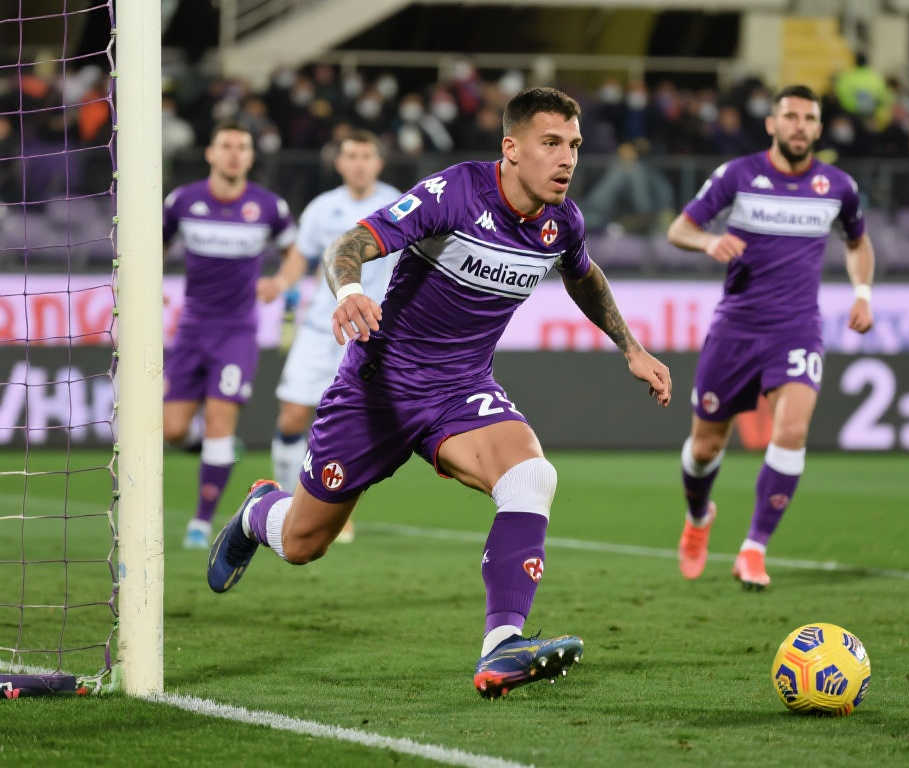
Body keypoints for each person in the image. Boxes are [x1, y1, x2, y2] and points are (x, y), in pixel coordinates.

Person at [206, 87, 672, 698]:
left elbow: (582, 274)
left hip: (459, 390)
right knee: (302, 543)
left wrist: (631, 347)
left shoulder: (562, 223)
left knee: (531, 475)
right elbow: (350, 245)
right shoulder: (455, 193)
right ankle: (256, 512)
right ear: (511, 148)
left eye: (575, 145)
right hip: (379, 389)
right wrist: (351, 291)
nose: (567, 159)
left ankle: (502, 645)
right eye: (551, 143)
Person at [666, 85, 875, 590]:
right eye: (791, 116)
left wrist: (863, 292)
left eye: (809, 118)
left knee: (792, 432)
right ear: (772, 124)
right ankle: (698, 517)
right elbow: (679, 229)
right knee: (704, 447)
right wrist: (709, 241)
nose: (800, 126)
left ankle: (754, 549)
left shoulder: (838, 186)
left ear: (819, 128)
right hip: (735, 330)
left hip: (797, 329)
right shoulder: (738, 175)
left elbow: (858, 242)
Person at [163, 121, 302, 549]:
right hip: (191, 329)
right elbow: (151, 247)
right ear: (210, 153)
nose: (234, 153)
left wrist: (281, 282)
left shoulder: (267, 206)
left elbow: (294, 251)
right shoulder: (183, 202)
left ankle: (201, 523)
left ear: (250, 157)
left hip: (237, 332)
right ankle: (218, 449)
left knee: (220, 422)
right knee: (171, 429)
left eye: (242, 147)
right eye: (226, 145)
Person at [271, 130, 401, 543]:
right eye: (351, 156)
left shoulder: (398, 204)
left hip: (370, 334)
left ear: (378, 162)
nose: (359, 163)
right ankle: (286, 504)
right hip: (319, 328)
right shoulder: (322, 207)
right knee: (293, 415)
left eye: (366, 155)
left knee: (353, 428)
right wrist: (280, 283)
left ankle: (334, 513)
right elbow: (300, 256)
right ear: (340, 163)